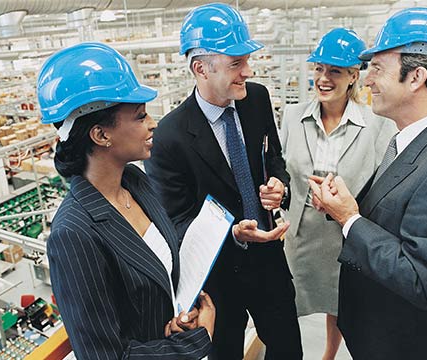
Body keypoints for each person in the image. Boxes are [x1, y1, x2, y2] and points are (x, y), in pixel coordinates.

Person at [308, 7, 427, 360]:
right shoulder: (411, 140)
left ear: (416, 77)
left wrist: (351, 219)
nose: (366, 81)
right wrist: (346, 209)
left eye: (377, 68)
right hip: (379, 336)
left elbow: (425, 280)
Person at [38, 42, 215, 359]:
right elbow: (106, 355)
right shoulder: (74, 234)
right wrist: (196, 341)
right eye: (139, 116)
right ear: (101, 135)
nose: (152, 124)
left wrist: (179, 317)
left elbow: (154, 285)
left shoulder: (136, 181)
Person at [144, 3, 302, 359]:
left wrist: (279, 183)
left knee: (289, 350)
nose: (248, 71)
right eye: (236, 63)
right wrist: (231, 233)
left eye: (246, 60)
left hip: (269, 262)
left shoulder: (257, 99)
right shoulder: (170, 136)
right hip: (219, 282)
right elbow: (175, 224)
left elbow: (273, 156)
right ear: (200, 68)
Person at [279, 28, 396, 360]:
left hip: (345, 234)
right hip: (301, 232)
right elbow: (282, 171)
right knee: (288, 301)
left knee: (340, 302)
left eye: (334, 71)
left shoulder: (377, 124)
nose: (323, 78)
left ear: (353, 76)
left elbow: (380, 183)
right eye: (318, 69)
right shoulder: (292, 117)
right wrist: (280, 192)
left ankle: (328, 355)